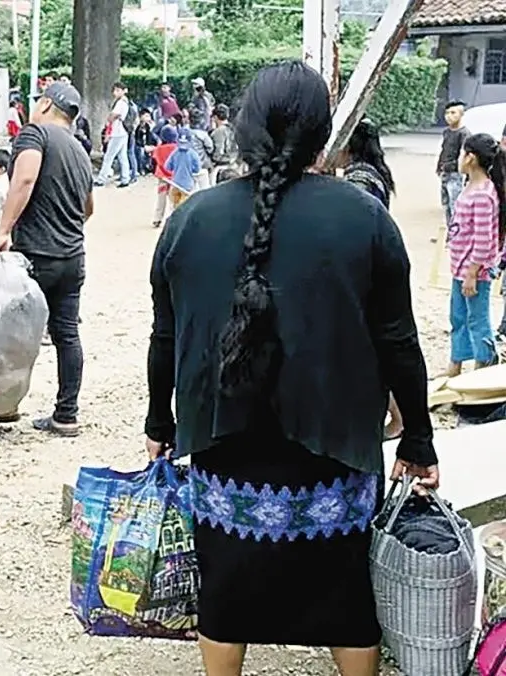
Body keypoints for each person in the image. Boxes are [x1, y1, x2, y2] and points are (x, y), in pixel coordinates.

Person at [145, 61, 437, 676]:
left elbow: (166, 335)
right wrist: (418, 435)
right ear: (321, 132)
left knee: (224, 595)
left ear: (245, 128)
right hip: (336, 444)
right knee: (347, 598)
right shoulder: (364, 218)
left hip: (223, 442)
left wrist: (159, 422)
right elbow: (398, 341)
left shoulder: (189, 219)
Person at [0, 82, 93, 436]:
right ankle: (66, 415)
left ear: (47, 104)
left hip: (36, 253)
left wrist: (3, 230)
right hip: (73, 256)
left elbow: (25, 178)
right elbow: (88, 208)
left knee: (11, 331)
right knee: (67, 334)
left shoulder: (35, 134)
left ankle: (3, 407)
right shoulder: (80, 150)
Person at [340, 120, 401, 440]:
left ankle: (397, 417)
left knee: (372, 352)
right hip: (372, 266)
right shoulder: (373, 173)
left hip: (365, 271)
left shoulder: (359, 180)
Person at [443, 133, 505, 378]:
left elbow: (483, 239)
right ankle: (456, 364)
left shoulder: (483, 194)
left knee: (477, 320)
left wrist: (472, 273)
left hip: (474, 272)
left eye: (462, 153)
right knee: (457, 317)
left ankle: (484, 367)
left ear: (470, 158)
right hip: (460, 269)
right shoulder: (471, 186)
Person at [94, 83, 132, 188]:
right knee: (122, 156)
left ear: (124, 90)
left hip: (118, 133)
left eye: (118, 90)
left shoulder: (120, 103)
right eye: (115, 90)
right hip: (123, 132)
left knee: (108, 157)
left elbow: (113, 116)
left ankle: (101, 179)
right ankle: (125, 178)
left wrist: (109, 118)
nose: (116, 93)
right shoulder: (126, 102)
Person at [438, 100, 469, 229]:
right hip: (445, 172)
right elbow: (444, 149)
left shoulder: (464, 133)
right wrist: (439, 165)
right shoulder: (447, 132)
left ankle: (457, 233)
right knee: (445, 204)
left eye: (453, 113)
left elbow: (464, 154)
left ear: (461, 115)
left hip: (456, 174)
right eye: (447, 113)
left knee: (454, 204)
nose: (449, 116)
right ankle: (449, 232)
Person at [163, 130, 200, 210]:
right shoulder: (193, 154)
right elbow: (197, 170)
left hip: (175, 183)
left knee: (174, 208)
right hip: (188, 186)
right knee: (185, 208)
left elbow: (167, 166)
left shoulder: (175, 152)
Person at [150, 126, 179, 228]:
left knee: (161, 199)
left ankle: (157, 218)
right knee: (174, 199)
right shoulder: (177, 148)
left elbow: (153, 163)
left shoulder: (158, 149)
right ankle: (174, 218)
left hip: (162, 176)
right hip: (174, 177)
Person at [210, 104, 239, 182]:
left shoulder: (218, 132)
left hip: (222, 167)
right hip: (235, 165)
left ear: (215, 117)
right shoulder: (234, 129)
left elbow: (217, 155)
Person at [188, 109, 214, 191]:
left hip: (188, 166)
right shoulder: (203, 134)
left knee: (191, 192)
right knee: (205, 189)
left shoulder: (185, 132)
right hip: (202, 165)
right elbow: (210, 148)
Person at [134, 109, 157, 175]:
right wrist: (144, 146)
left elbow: (149, 137)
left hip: (146, 145)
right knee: (141, 152)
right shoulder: (137, 127)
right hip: (138, 146)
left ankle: (149, 167)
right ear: (141, 116)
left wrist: (149, 145)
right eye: (146, 116)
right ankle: (141, 168)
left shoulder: (148, 127)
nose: (148, 118)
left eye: (149, 116)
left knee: (152, 150)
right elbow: (137, 139)